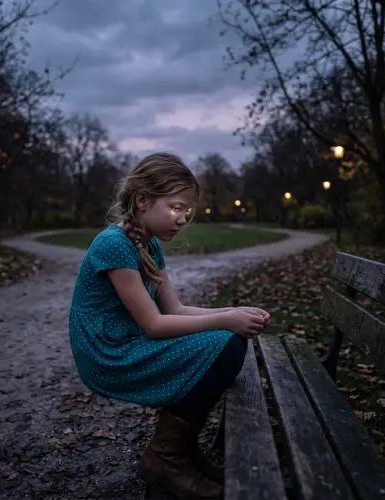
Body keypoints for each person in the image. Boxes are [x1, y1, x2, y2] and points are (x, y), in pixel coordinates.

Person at [68, 152, 270, 499]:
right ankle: (166, 457)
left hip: (129, 338)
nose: (182, 219)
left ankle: (183, 452)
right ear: (142, 201)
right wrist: (225, 320)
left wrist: (233, 311)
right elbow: (155, 325)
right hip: (108, 350)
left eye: (187, 212)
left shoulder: (150, 245)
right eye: (176, 207)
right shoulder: (114, 244)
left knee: (227, 341)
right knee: (226, 344)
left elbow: (175, 307)